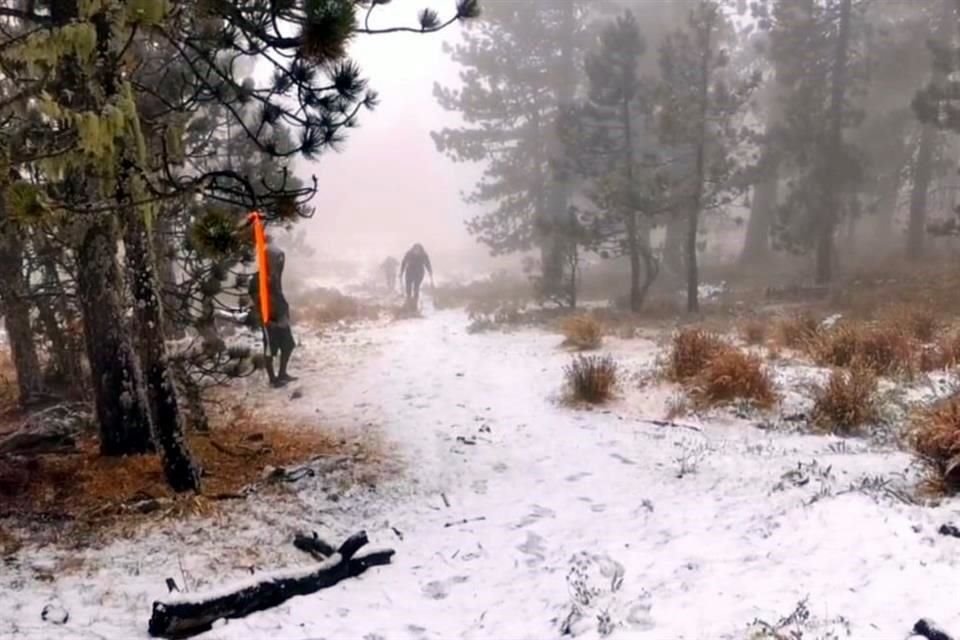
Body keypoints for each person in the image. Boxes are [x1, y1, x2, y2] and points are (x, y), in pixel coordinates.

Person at [247, 235, 297, 387]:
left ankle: (282, 373)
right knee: (270, 348)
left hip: (281, 315)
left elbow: (278, 293)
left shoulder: (274, 277)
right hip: (269, 318)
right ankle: (272, 379)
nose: (277, 263)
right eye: (274, 260)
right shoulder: (256, 279)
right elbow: (257, 299)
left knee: (288, 345)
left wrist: (283, 309)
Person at [399, 243, 433, 308]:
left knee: (416, 287)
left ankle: (415, 302)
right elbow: (404, 262)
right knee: (408, 286)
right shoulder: (409, 254)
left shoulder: (424, 255)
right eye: (415, 249)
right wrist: (401, 272)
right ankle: (409, 300)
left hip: (419, 272)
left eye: (418, 249)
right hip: (410, 271)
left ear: (421, 250)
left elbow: (427, 263)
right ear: (413, 249)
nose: (416, 251)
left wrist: (430, 271)